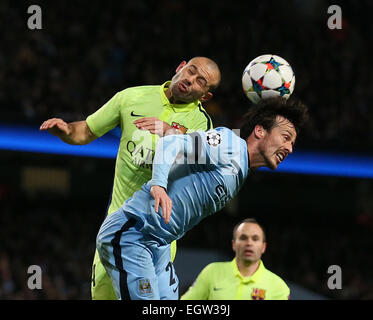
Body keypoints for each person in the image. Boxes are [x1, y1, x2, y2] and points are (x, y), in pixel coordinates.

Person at [39, 56, 221, 300]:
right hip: (115, 229)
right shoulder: (131, 97)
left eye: (200, 81)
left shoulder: (202, 124)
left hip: (157, 238)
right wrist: (66, 131)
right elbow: (86, 131)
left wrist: (172, 132)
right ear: (180, 67)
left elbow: (207, 158)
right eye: (190, 71)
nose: (190, 80)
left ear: (205, 96)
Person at [96, 97, 308, 300]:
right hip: (135, 233)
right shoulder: (232, 145)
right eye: (286, 137)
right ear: (260, 130)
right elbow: (171, 144)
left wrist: (172, 130)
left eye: (292, 143)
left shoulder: (240, 168)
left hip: (159, 246)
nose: (289, 148)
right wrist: (158, 185)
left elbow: (188, 148)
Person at [181, 218, 290, 300]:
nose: (249, 243)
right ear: (234, 244)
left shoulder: (278, 287)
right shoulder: (212, 272)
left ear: (263, 247)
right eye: (243, 238)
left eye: (255, 239)